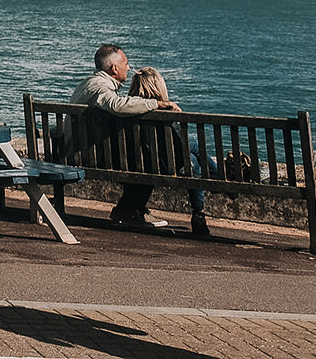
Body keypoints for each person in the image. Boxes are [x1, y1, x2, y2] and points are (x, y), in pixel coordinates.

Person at [67, 43, 179, 230]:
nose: (128, 67)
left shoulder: (87, 83)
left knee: (140, 156)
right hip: (85, 155)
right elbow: (116, 105)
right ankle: (130, 210)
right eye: (126, 63)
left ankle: (132, 209)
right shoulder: (101, 87)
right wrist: (156, 104)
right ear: (114, 68)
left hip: (75, 148)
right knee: (147, 161)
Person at [127, 66, 214, 239]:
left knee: (192, 151)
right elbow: (180, 146)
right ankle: (202, 207)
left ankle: (216, 175)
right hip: (162, 166)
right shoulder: (165, 113)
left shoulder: (126, 109)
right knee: (192, 156)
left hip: (136, 162)